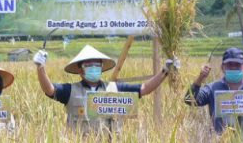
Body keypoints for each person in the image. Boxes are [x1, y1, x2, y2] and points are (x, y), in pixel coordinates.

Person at [34, 45, 170, 134]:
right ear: (80, 70)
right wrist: (40, 67)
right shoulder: (70, 91)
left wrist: (165, 71)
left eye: (97, 65)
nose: (94, 68)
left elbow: (145, 88)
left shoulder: (114, 89)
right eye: (89, 65)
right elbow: (49, 89)